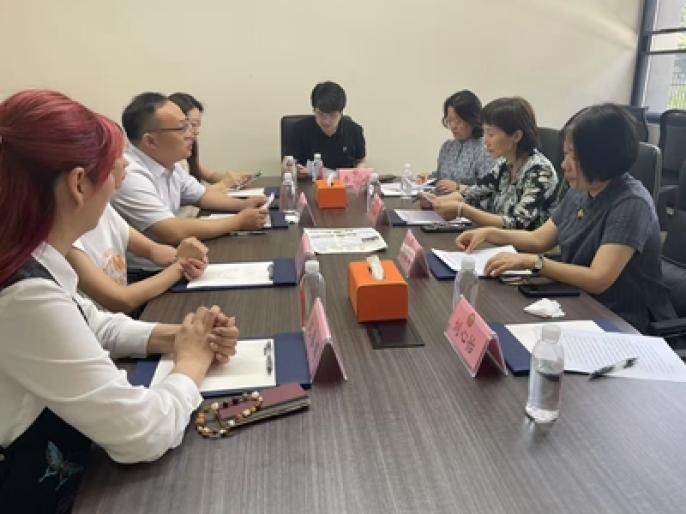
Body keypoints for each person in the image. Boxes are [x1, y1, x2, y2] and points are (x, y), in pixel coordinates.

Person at [0, 90, 238, 512]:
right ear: (78, 184)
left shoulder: (31, 258)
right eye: (111, 169)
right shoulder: (23, 295)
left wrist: (184, 336)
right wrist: (191, 363)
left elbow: (93, 324)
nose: (118, 178)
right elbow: (142, 434)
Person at [456, 103, 674, 332]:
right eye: (566, 153)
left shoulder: (631, 203)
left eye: (573, 156)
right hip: (576, 301)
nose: (563, 164)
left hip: (620, 320)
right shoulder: (580, 190)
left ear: (600, 158)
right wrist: (489, 233)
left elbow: (598, 279)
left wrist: (534, 262)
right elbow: (539, 239)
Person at [111, 92, 267, 270]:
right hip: (148, 273)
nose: (191, 134)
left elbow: (203, 195)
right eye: (182, 128)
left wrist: (243, 205)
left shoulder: (168, 163)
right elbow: (172, 231)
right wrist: (238, 222)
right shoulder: (130, 174)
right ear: (151, 141)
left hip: (178, 262)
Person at [429, 97, 558, 230]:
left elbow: (517, 223)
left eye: (491, 134)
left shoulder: (540, 171)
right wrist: (436, 201)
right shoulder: (504, 164)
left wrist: (462, 210)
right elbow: (473, 193)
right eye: (484, 133)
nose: (485, 141)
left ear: (516, 136)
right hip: (496, 237)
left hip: (519, 242)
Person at [67, 196, 209, 313]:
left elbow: (152, 250)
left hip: (121, 322)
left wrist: (189, 259)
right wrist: (180, 266)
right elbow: (122, 300)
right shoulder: (66, 240)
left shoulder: (101, 207)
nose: (126, 169)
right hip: (100, 332)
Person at [168, 92, 251, 190]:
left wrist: (234, 180)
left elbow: (209, 175)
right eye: (193, 124)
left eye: (198, 125)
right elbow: (190, 196)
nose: (197, 132)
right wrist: (224, 184)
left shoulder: (186, 151)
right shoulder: (168, 159)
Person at [282, 81, 366, 176]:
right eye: (321, 114)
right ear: (314, 109)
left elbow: (361, 161)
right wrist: (292, 170)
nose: (326, 121)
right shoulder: (299, 129)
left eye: (332, 115)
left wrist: (358, 173)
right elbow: (287, 162)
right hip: (309, 182)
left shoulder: (354, 130)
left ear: (341, 112)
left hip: (342, 183)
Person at [419, 90, 495, 193]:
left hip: (466, 202)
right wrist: (428, 178)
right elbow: (441, 177)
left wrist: (459, 187)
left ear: (473, 119)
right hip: (441, 200)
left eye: (458, 121)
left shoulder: (486, 148)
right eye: (449, 120)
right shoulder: (447, 147)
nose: (453, 126)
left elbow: (489, 190)